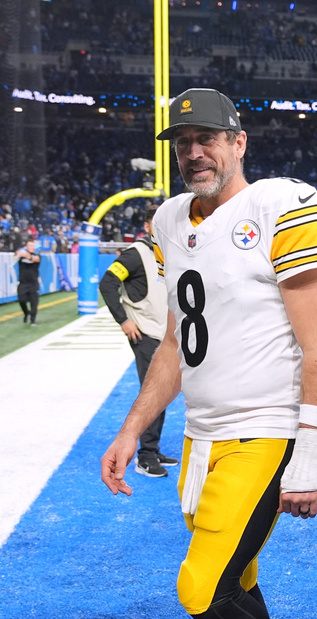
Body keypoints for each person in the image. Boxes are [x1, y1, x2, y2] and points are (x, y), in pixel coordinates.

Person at [100, 88, 317, 619]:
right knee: (239, 579)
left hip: (264, 430)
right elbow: (173, 343)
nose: (193, 152)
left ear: (239, 143)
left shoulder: (279, 204)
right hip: (199, 435)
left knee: (202, 590)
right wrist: (131, 429)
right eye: (183, 142)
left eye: (206, 138)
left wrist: (310, 453)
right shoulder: (169, 219)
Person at [99, 205, 178, 478]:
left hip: (163, 333)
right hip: (145, 333)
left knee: (162, 391)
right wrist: (124, 320)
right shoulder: (135, 254)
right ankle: (145, 456)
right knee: (152, 391)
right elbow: (107, 283)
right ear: (146, 227)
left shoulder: (168, 253)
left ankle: (152, 449)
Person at [15, 238, 41, 325]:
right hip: (23, 282)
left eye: (33, 246)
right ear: (26, 246)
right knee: (21, 300)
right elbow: (14, 257)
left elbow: (35, 259)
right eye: (30, 245)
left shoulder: (37, 255)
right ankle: (26, 313)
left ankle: (33, 320)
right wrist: (18, 253)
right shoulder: (21, 255)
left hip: (33, 283)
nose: (32, 247)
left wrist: (26, 255)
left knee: (34, 302)